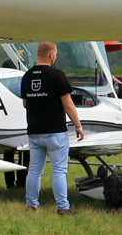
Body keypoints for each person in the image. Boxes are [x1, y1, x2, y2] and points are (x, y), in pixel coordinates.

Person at [21, 41, 86, 215]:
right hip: (55, 131)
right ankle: (63, 207)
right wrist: (78, 126)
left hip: (34, 131)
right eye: (55, 54)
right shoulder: (57, 75)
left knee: (35, 169)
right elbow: (68, 104)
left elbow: (25, 103)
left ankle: (31, 205)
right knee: (59, 171)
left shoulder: (27, 76)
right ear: (51, 55)